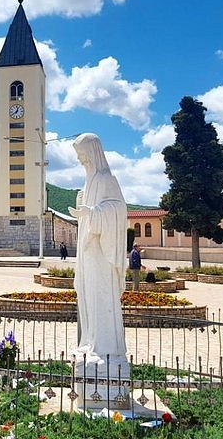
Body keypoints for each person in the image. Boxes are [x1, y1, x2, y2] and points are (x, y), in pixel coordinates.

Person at [68, 133, 128, 364]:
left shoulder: (106, 178)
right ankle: (90, 341)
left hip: (101, 255)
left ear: (93, 152)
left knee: (100, 296)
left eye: (82, 154)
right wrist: (85, 210)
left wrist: (91, 213)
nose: (81, 160)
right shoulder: (90, 180)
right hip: (88, 253)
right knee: (87, 296)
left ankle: (104, 347)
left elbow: (118, 209)